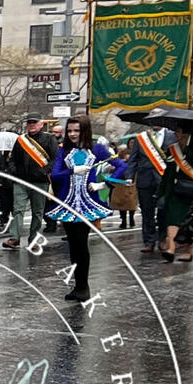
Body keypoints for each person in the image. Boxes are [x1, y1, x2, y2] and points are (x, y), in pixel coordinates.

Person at [50, 117, 114, 302]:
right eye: (69, 131)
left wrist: (102, 185)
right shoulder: (64, 150)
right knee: (73, 245)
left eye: (76, 130)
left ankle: (83, 287)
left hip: (86, 204)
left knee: (81, 243)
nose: (72, 134)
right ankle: (78, 286)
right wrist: (72, 171)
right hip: (68, 202)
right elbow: (55, 174)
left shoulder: (97, 148)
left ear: (84, 130)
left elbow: (121, 166)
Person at [159, 129, 193, 263]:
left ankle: (188, 251)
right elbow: (168, 171)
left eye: (179, 131)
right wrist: (160, 191)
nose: (176, 134)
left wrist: (187, 150)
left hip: (192, 189)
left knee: (187, 222)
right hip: (174, 190)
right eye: (175, 132)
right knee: (172, 219)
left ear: (187, 132)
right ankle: (171, 249)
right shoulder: (173, 147)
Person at [3, 116, 54, 252]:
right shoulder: (21, 140)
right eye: (29, 123)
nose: (31, 125)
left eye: (34, 122)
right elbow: (13, 158)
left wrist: (44, 172)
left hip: (40, 181)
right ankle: (15, 237)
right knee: (18, 209)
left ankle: (34, 239)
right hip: (21, 180)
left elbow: (54, 159)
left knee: (37, 211)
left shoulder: (49, 139)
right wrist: (14, 172)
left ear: (41, 124)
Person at [107, 140, 139, 230]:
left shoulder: (138, 152)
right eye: (131, 142)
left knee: (131, 201)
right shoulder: (123, 152)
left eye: (134, 142)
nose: (132, 144)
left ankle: (131, 218)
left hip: (132, 179)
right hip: (121, 180)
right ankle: (123, 220)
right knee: (121, 202)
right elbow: (116, 162)